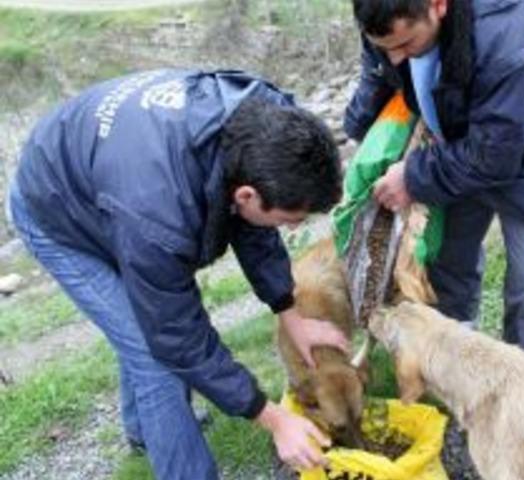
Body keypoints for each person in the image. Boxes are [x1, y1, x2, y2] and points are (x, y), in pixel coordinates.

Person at [5, 69, 347, 478]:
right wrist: (273, 418)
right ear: (246, 195)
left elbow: (255, 228)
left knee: (142, 329)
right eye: (292, 219)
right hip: (56, 209)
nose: (293, 227)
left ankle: (146, 430)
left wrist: (291, 314)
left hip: (107, 179)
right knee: (154, 356)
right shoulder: (159, 215)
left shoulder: (271, 126)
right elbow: (177, 335)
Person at [345, 0, 524, 355]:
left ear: (437, 5)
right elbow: (378, 73)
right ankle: (457, 363)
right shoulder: (383, 16)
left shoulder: (507, 33)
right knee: (447, 267)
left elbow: (496, 155)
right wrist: (359, 134)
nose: (395, 58)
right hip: (457, 142)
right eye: (384, 47)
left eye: (405, 45)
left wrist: (413, 177)